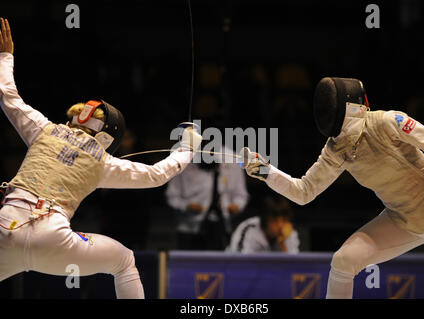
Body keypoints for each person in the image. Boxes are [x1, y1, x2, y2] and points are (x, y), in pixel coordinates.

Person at [0, 18, 202, 299]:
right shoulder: (103, 162)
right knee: (124, 261)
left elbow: (8, 96)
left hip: (5, 232)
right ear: (107, 138)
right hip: (53, 240)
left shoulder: (43, 130)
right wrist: (187, 147)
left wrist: (5, 56)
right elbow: (157, 176)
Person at [244, 76, 424, 298]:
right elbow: (303, 192)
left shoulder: (387, 122)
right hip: (402, 219)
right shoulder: (336, 149)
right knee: (344, 261)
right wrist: (265, 171)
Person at [165, 145, 249, 250]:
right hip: (190, 228)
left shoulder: (231, 159)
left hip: (222, 228)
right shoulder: (183, 160)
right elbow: (172, 197)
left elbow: (241, 195)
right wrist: (186, 206)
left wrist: (236, 206)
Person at [228, 196, 300, 253]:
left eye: (284, 220)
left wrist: (282, 244)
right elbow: (239, 265)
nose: (280, 225)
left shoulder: (289, 232)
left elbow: (294, 267)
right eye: (275, 221)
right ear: (265, 219)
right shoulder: (248, 229)